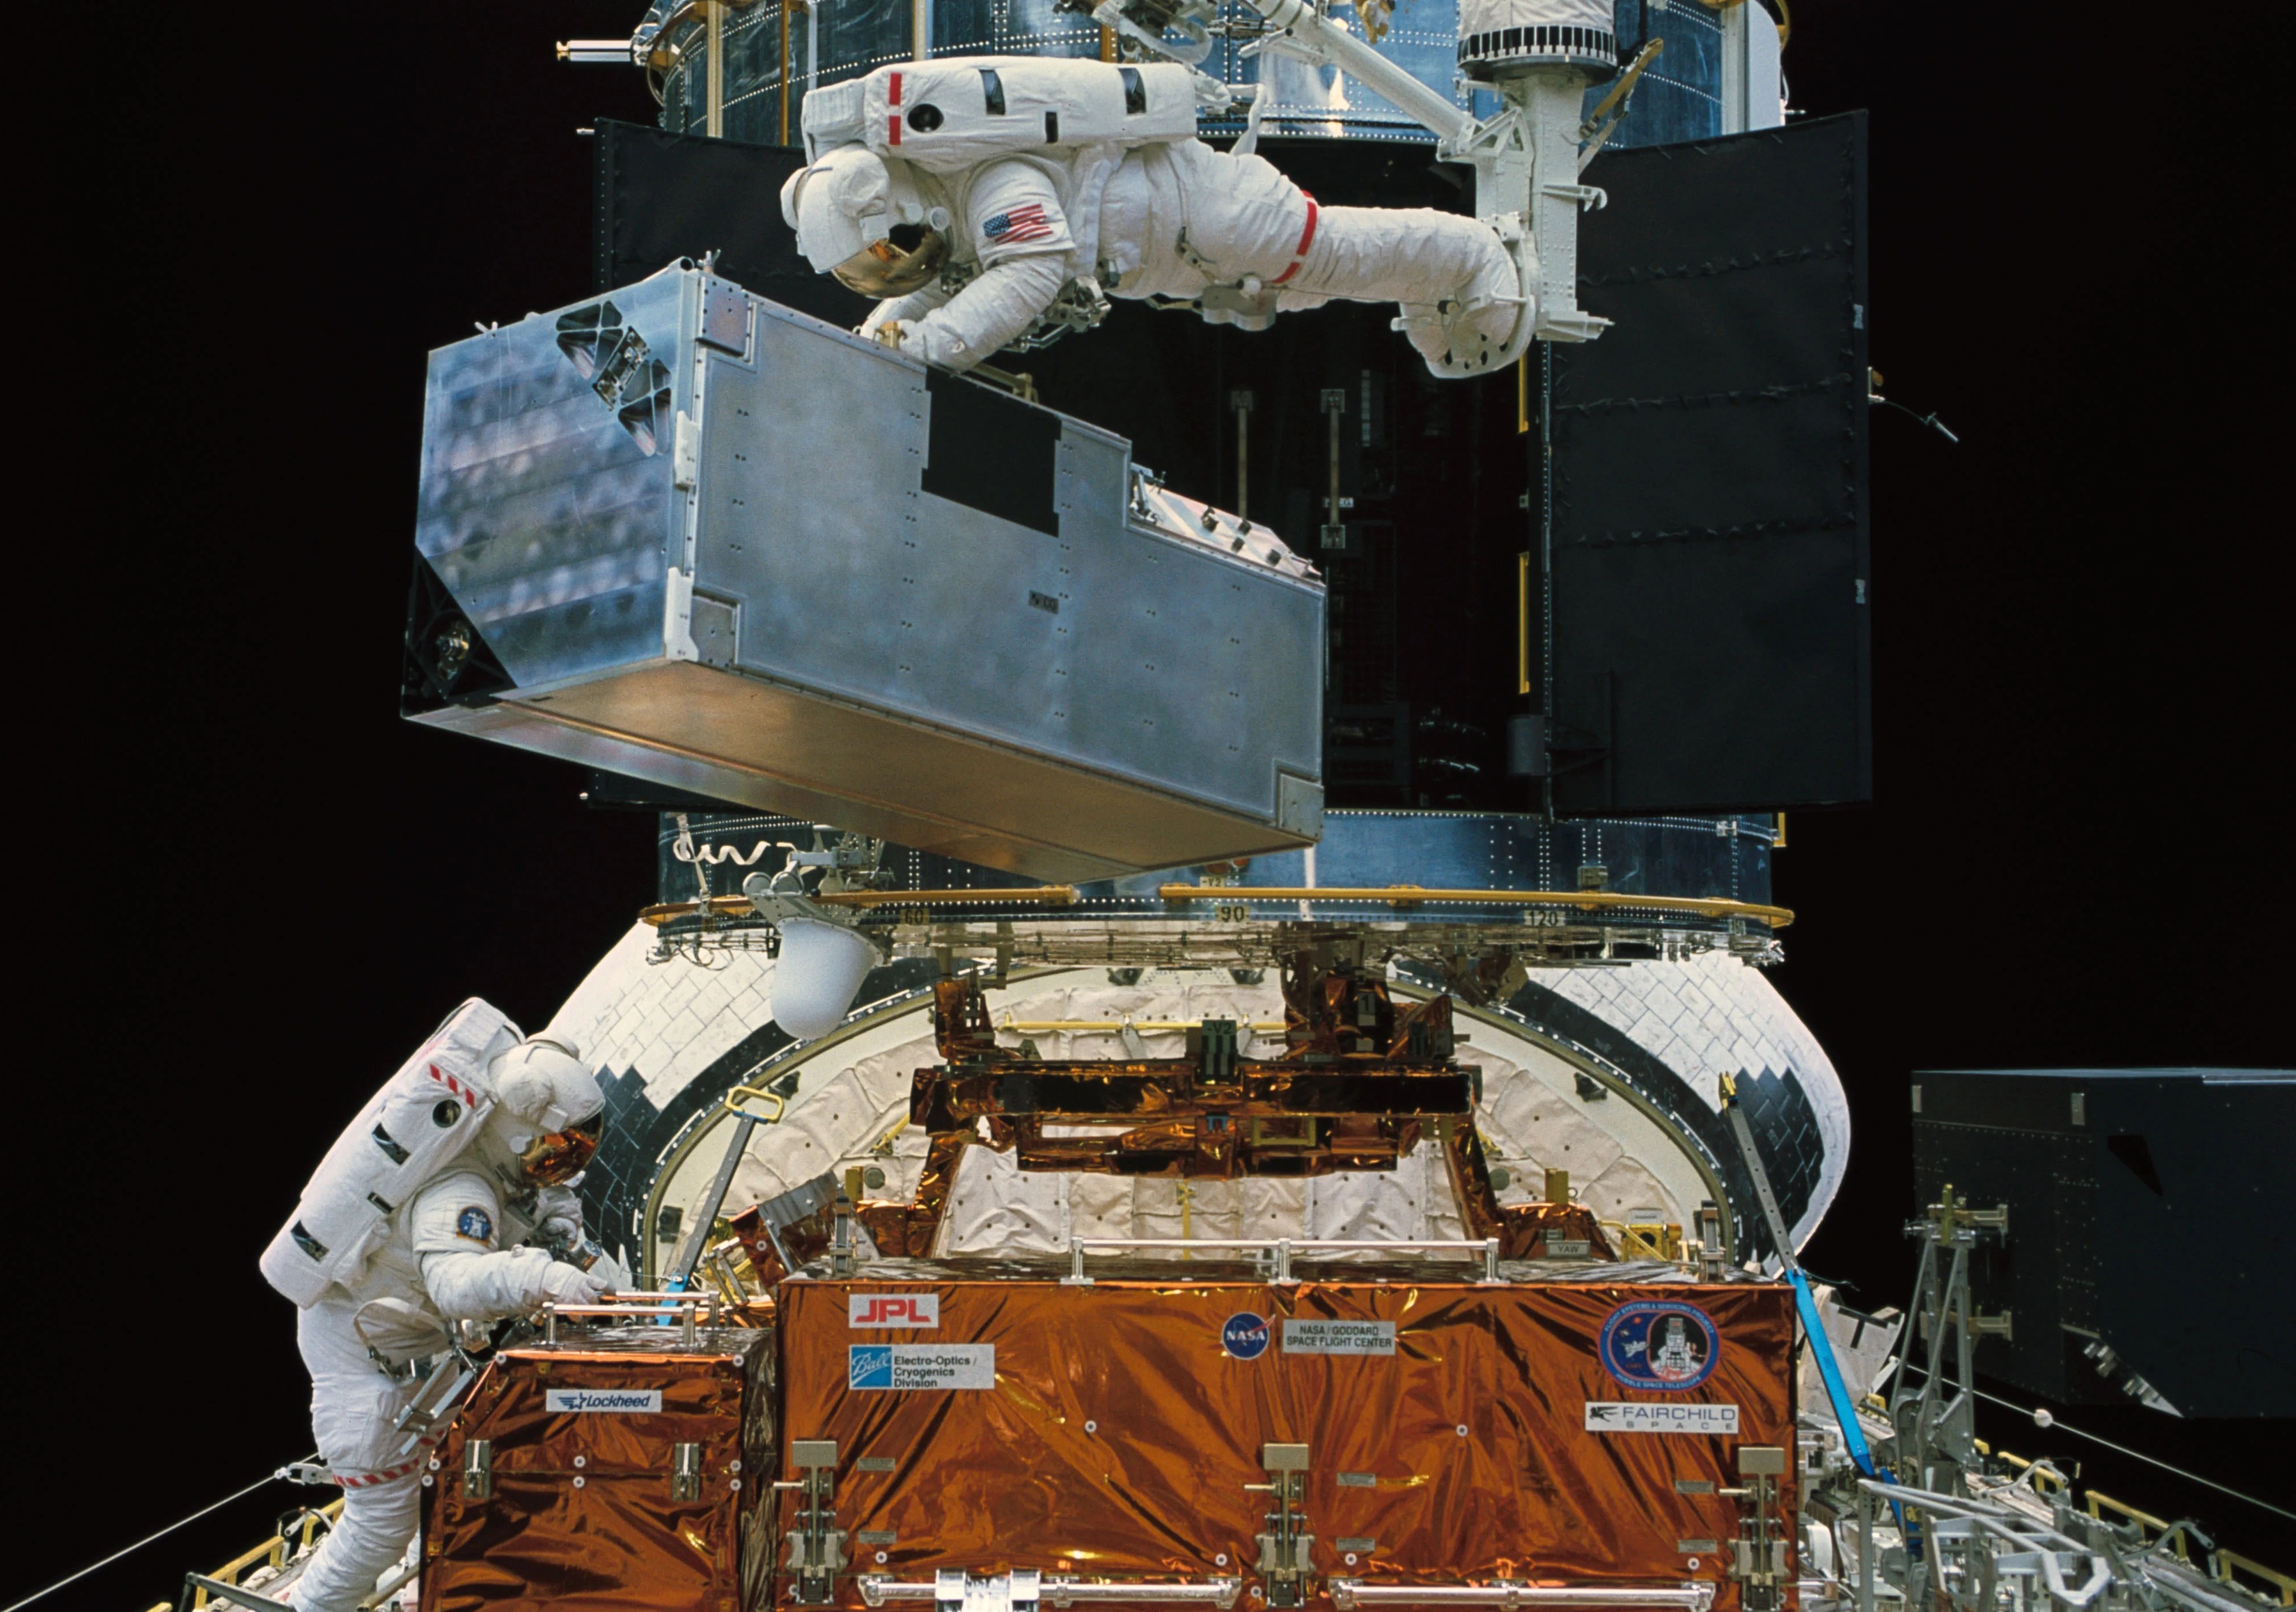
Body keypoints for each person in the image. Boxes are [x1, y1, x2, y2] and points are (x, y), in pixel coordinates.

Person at [280, 1028, 627, 1611]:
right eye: (555, 1148)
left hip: (416, 1355)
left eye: (576, 1147)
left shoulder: (506, 1166)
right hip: (364, 1365)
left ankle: (428, 1592)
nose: (565, 1160)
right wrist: (542, 1277)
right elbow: (455, 1282)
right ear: (514, 1136)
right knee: (379, 1523)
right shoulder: (459, 1189)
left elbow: (545, 1198)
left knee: (456, 1478)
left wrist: (564, 1230)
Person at [782, 134, 1519, 374]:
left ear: (902, 204)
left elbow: (1032, 272)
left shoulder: (994, 183)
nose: (895, 268)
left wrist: (923, 349)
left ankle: (1474, 254)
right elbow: (945, 288)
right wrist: (869, 347)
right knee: (1333, 283)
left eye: (886, 250)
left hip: (1220, 217)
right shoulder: (959, 210)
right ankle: (1432, 286)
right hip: (1190, 253)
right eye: (870, 269)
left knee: (1336, 258)